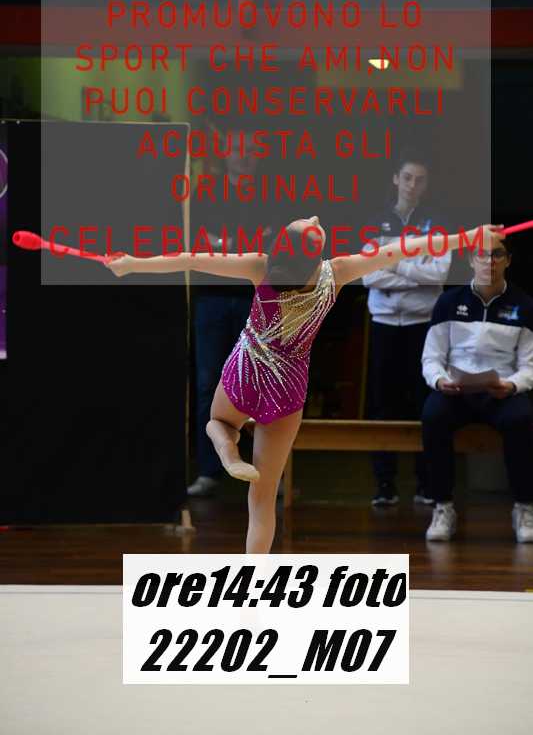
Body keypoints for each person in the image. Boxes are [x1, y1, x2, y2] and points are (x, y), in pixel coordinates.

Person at [106, 218, 501, 553]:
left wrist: (132, 265)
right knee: (262, 499)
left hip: (248, 371)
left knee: (217, 422)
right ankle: (253, 583)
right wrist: (469, 237)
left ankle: (227, 452)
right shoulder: (338, 272)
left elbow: (191, 260)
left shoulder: (261, 266)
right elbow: (403, 250)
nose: (314, 218)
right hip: (287, 388)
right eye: (311, 223)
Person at [421, 240, 533, 543]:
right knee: (433, 416)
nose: (489, 261)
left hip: (501, 391)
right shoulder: (448, 301)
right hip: (456, 390)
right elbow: (432, 357)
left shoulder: (524, 305)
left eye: (497, 255)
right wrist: (440, 381)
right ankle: (442, 507)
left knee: (522, 418)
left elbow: (529, 365)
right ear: (472, 260)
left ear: (508, 260)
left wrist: (512, 385)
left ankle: (524, 508)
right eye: (482, 255)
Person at [187, 128, 278, 498]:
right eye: (238, 148)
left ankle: (264, 473)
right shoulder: (205, 193)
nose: (244, 155)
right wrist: (243, 245)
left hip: (255, 302)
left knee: (261, 385)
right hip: (210, 301)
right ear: (225, 152)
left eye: (251, 148)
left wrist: (225, 245)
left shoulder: (270, 195)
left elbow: (270, 248)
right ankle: (210, 471)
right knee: (208, 384)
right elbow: (198, 243)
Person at [362, 151, 452, 507]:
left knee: (422, 402)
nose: (413, 185)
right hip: (384, 324)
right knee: (383, 404)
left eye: (420, 179)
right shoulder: (375, 221)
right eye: (408, 177)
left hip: (422, 324)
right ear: (396, 179)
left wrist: (393, 263)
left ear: (427, 185)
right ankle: (384, 484)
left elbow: (439, 274)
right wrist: (414, 270)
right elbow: (368, 276)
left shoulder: (437, 224)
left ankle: (425, 484)